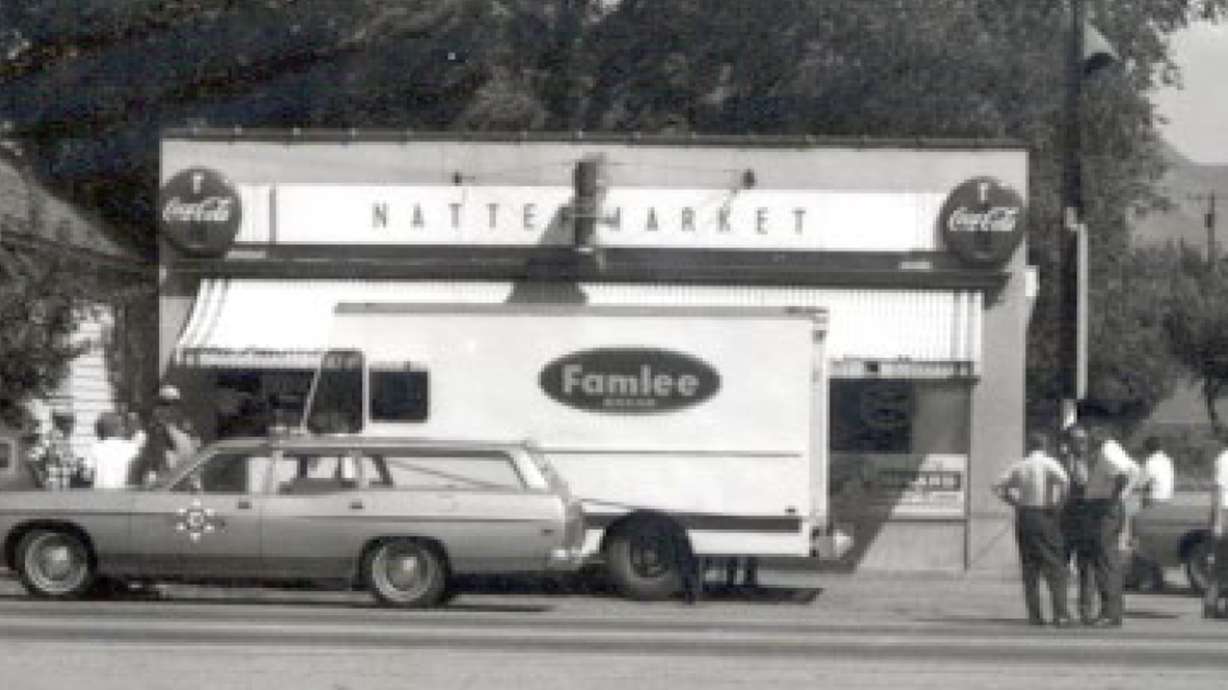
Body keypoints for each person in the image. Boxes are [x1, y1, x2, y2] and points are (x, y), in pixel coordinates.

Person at [992, 431, 1073, 627]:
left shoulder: (1020, 465)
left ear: (1029, 446)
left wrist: (1014, 502)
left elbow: (997, 486)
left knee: (1030, 567)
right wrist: (1059, 504)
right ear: (1045, 445)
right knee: (1055, 565)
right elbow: (1064, 481)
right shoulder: (1048, 463)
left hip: (1025, 515)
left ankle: (1034, 614)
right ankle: (1060, 613)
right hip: (1044, 514)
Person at [1080, 423, 1135, 627]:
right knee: (1107, 559)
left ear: (1098, 435)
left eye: (1090, 436)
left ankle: (1109, 613)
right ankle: (1112, 611)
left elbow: (1123, 474)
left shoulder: (1107, 452)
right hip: (1106, 505)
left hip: (1104, 507)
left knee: (1105, 560)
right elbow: (1133, 469)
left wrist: (1115, 496)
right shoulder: (1113, 449)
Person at [1059, 425, 1095, 623]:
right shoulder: (1060, 463)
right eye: (1077, 440)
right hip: (1064, 520)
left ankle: (1086, 611)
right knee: (1061, 567)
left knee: (1086, 568)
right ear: (1069, 443)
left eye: (1084, 440)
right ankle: (1061, 610)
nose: (1082, 444)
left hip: (1086, 520)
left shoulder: (1093, 462)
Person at [137, 385, 201, 485]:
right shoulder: (152, 437)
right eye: (161, 405)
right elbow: (146, 467)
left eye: (169, 405)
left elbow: (193, 474)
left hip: (177, 491)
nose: (162, 410)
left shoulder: (187, 438)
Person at [83, 411, 147, 489]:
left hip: (100, 494)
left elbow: (86, 476)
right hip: (125, 493)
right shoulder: (131, 448)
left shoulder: (94, 448)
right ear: (118, 428)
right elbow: (141, 439)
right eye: (123, 426)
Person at [1204, 437, 1228, 618]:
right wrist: (1218, 521)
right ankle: (1211, 606)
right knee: (1220, 562)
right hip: (1226, 513)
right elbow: (1219, 491)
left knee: (1221, 563)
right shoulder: (1224, 459)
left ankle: (1215, 606)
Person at [31, 409, 82, 490]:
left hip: (64, 489)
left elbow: (70, 467)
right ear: (62, 423)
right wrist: (40, 481)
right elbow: (31, 459)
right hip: (52, 489)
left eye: (73, 422)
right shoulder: (49, 438)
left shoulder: (65, 442)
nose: (73, 426)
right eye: (71, 422)